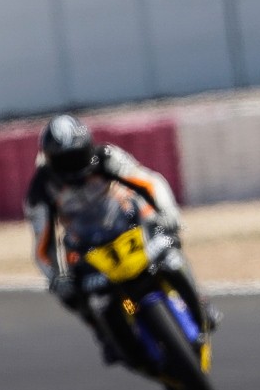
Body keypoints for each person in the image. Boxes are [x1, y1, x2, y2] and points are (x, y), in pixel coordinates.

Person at [24, 114, 215, 363]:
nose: (72, 165)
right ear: (49, 160)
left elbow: (150, 183)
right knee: (71, 294)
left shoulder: (107, 157)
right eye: (64, 160)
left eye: (76, 155)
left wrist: (168, 215)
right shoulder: (40, 189)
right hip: (87, 247)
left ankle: (200, 303)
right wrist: (56, 277)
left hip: (130, 227)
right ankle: (103, 334)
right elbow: (43, 243)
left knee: (170, 252)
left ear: (88, 146)